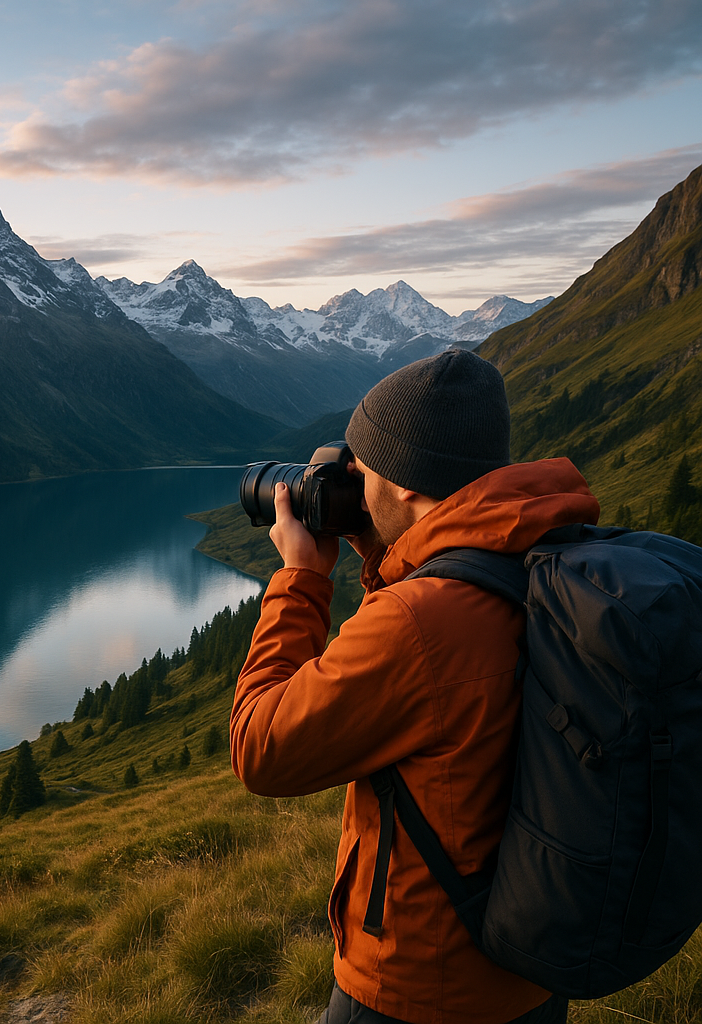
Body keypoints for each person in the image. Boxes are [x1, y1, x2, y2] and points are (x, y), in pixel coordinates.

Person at [229, 349, 601, 1024]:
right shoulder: (544, 554)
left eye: (361, 473)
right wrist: (387, 550)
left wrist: (302, 578)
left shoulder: (420, 619)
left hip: (416, 986)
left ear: (405, 488)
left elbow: (261, 748)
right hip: (532, 976)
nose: (351, 489)